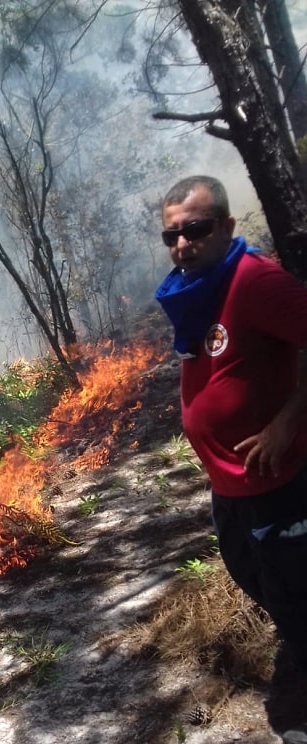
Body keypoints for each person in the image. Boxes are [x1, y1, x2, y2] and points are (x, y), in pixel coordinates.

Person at [155, 175, 307, 676]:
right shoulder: (198, 294)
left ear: (225, 226)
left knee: (296, 598)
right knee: (258, 581)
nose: (181, 244)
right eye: (171, 235)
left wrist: (286, 424)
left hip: (278, 481)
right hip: (230, 487)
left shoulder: (254, 281)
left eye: (194, 229)